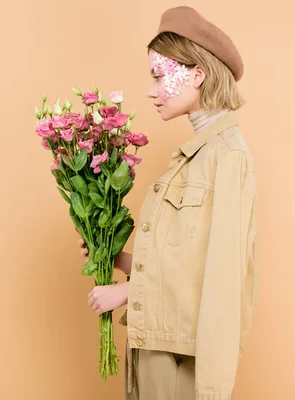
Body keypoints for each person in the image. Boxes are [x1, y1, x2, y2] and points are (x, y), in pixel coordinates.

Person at [79, 6, 258, 400]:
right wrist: (112, 256)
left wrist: (126, 293)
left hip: (181, 359)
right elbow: (183, 260)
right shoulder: (193, 155)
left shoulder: (226, 156)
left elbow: (222, 277)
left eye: (159, 76)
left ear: (198, 74)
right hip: (156, 347)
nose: (150, 89)